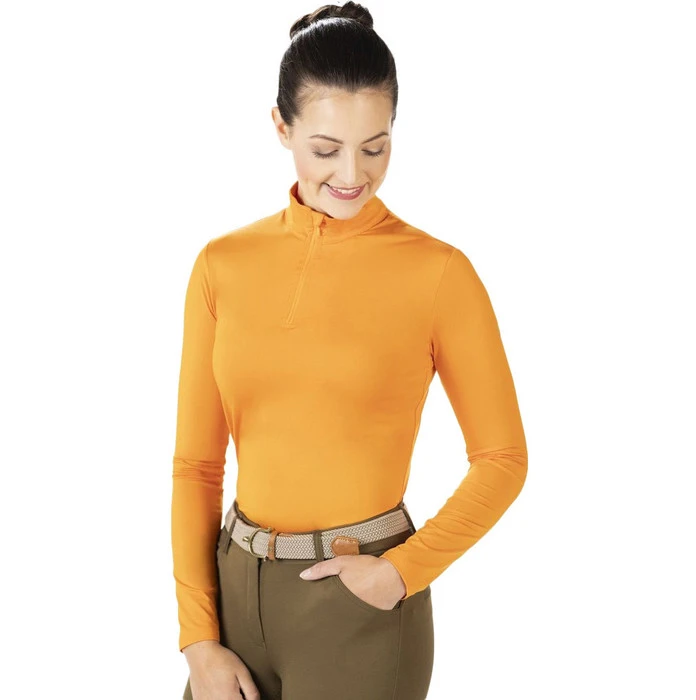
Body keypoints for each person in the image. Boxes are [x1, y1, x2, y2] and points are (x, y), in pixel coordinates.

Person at [171, 3, 528, 699]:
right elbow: (196, 466)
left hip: (359, 604)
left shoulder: (438, 273)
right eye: (326, 148)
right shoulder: (222, 265)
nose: (351, 174)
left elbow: (502, 458)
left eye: (375, 147)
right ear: (281, 128)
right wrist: (197, 637)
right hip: (233, 595)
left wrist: (402, 571)